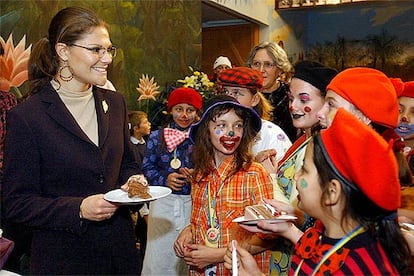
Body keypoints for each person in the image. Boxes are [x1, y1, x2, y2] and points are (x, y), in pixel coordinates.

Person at [2, 6, 141, 275]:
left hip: (119, 256)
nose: (106, 59)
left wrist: (134, 182)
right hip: (64, 259)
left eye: (109, 49)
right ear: (63, 51)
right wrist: (77, 208)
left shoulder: (115, 103)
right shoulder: (28, 116)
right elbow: (17, 203)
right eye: (95, 50)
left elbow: (127, 164)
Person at [224, 108, 411, 275]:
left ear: (332, 192)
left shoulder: (354, 267)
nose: (296, 177)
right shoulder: (326, 238)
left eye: (304, 169)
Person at [174, 95, 274, 275]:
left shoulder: (254, 174)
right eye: (221, 125)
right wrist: (188, 232)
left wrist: (217, 255)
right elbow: (205, 219)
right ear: (206, 130)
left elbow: (269, 237)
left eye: (238, 125)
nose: (231, 133)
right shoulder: (199, 176)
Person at [269, 60, 337, 275]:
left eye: (303, 99)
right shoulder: (303, 141)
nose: (293, 106)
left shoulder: (324, 146)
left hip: (307, 249)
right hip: (287, 247)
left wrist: (271, 177)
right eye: (291, 98)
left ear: (327, 104)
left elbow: (318, 214)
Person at [141, 87, 202, 276]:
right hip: (162, 206)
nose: (184, 115)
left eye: (190, 110)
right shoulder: (155, 137)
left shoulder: (203, 138)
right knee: (158, 256)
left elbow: (212, 168)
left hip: (194, 204)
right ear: (171, 110)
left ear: (197, 113)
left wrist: (198, 176)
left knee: (189, 255)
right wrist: (164, 179)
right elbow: (147, 168)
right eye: (179, 109)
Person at [217, 66, 292, 164]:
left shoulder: (271, 135)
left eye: (236, 93)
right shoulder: (215, 130)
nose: (228, 99)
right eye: (225, 92)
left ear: (255, 99)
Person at [246, 41, 297, 142]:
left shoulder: (291, 96)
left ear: (280, 69)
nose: (261, 70)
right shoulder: (244, 95)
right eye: (256, 64)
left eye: (268, 65)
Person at [128, 110, 151, 271]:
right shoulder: (130, 148)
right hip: (141, 203)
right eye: (145, 122)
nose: (149, 125)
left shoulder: (149, 144)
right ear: (136, 128)